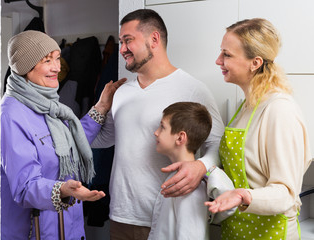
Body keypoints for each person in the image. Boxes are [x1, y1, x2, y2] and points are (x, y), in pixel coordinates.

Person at [91, 9, 225, 239]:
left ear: (154, 39)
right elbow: (104, 138)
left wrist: (201, 167)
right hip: (120, 216)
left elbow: (218, 143)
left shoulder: (192, 89)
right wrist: (99, 109)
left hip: (165, 218)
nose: (121, 49)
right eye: (121, 42)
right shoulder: (121, 91)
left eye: (128, 40)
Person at [1, 30, 125, 239]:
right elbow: (25, 186)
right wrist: (63, 189)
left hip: (67, 228)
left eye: (57, 58)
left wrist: (101, 108)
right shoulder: (11, 114)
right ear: (24, 67)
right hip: (38, 233)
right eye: (47, 60)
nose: (57, 68)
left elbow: (68, 143)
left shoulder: (47, 104)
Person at [205, 18, 312, 239]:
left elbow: (285, 194)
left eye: (227, 54)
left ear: (255, 63)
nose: (218, 60)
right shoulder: (245, 107)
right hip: (236, 230)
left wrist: (242, 196)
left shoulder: (279, 110)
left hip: (271, 233)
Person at [148, 102, 235, 240]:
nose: (156, 132)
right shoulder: (177, 177)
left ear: (180, 137)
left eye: (162, 127)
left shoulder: (189, 188)